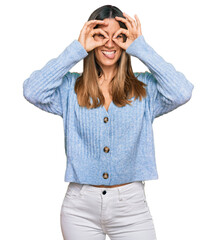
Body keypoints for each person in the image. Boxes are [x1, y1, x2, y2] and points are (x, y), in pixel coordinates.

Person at [23, 4, 194, 240]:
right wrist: (77, 49)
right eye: (100, 36)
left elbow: (182, 92)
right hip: (79, 209)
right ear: (89, 39)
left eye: (119, 36)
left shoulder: (144, 90)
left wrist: (141, 49)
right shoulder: (70, 89)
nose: (110, 43)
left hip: (131, 208)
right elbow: (33, 91)